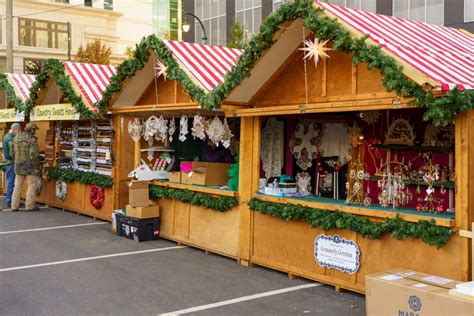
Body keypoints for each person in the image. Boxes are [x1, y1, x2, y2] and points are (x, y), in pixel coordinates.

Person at [10, 122, 40, 212]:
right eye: (34, 130)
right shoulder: (32, 140)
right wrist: (37, 165)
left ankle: (14, 206)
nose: (35, 132)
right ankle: (29, 206)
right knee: (31, 185)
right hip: (30, 167)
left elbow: (12, 152)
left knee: (17, 186)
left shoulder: (16, 137)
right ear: (31, 130)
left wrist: (16, 160)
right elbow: (33, 155)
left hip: (18, 166)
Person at [2, 123, 22, 210]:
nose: (19, 132)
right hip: (11, 163)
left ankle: (10, 200)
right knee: (11, 182)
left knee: (11, 182)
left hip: (8, 163)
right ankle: (10, 201)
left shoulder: (6, 136)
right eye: (19, 131)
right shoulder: (10, 139)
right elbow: (12, 152)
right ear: (15, 130)